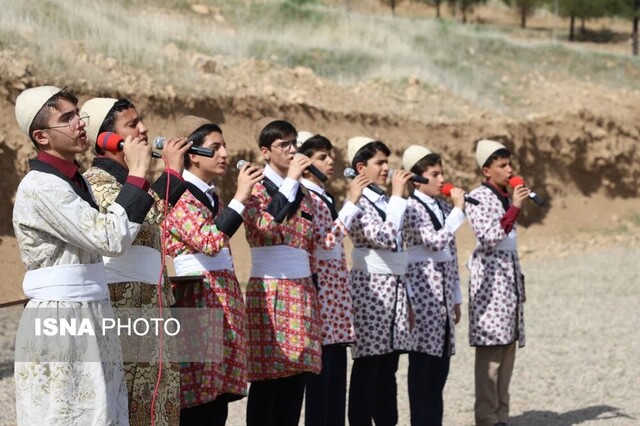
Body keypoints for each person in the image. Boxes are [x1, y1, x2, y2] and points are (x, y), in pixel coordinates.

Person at [12, 86, 155, 425]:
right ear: (41, 137)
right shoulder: (40, 186)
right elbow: (108, 237)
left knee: (103, 412)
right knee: (67, 413)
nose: (80, 123)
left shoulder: (75, 181)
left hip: (91, 311)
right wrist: (136, 175)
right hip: (60, 319)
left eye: (78, 115)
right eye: (67, 118)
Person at [80, 97, 192, 425]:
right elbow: (145, 216)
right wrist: (171, 173)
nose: (143, 129)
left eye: (141, 121)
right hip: (123, 311)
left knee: (162, 402)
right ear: (105, 139)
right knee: (131, 403)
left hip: (153, 308)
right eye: (132, 124)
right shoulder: (95, 182)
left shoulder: (132, 180)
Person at [163, 116, 263, 425]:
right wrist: (240, 198)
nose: (224, 153)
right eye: (215, 147)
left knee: (218, 396)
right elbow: (208, 240)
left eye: (224, 146)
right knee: (196, 399)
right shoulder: (177, 193)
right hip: (197, 300)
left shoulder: (211, 196)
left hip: (221, 299)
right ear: (193, 154)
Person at [243, 119, 322, 426]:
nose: (292, 150)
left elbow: (310, 243)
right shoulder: (255, 186)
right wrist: (290, 180)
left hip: (301, 289)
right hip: (271, 289)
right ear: (265, 151)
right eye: (284, 145)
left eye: (294, 143)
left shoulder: (304, 190)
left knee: (297, 375)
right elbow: (264, 226)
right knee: (268, 377)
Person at [296, 134, 368, 426]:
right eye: (322, 157)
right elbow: (324, 243)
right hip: (321, 295)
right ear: (304, 162)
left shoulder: (323, 195)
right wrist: (351, 203)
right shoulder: (305, 195)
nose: (330, 162)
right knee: (321, 383)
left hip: (335, 297)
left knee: (337, 380)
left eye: (330, 156)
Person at [346, 136, 413, 426]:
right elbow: (385, 238)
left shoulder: (386, 201)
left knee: (389, 367)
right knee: (368, 367)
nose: (386, 168)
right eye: (379, 163)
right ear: (361, 167)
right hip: (371, 290)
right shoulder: (357, 203)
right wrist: (399, 196)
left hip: (395, 289)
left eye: (387, 162)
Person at [466, 139, 530, 426]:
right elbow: (490, 237)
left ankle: (502, 414)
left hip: (509, 284)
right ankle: (487, 417)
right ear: (486, 171)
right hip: (491, 286)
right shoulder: (476, 197)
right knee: (491, 354)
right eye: (502, 165)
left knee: (507, 352)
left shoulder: (505, 196)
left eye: (509, 164)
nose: (509, 170)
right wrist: (515, 207)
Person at [401, 145, 466, 426]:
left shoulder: (441, 206)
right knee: (422, 367)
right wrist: (459, 211)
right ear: (417, 179)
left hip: (443, 294)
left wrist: (456, 296)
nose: (442, 180)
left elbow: (451, 252)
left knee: (441, 366)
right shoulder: (411, 207)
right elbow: (435, 240)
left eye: (442, 174)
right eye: (434, 174)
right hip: (423, 292)